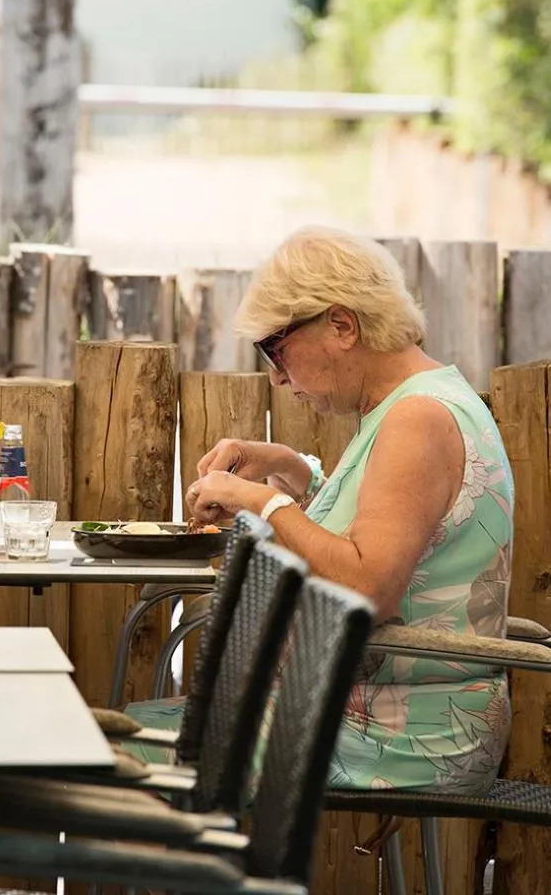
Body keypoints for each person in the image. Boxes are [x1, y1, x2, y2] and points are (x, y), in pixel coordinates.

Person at [132, 225, 515, 797]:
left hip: (401, 735)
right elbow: (391, 526)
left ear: (341, 324)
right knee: (126, 730)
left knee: (114, 747)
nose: (277, 377)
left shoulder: (418, 419)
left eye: (276, 349)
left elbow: (367, 586)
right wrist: (289, 466)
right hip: (372, 712)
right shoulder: (421, 401)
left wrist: (264, 501)